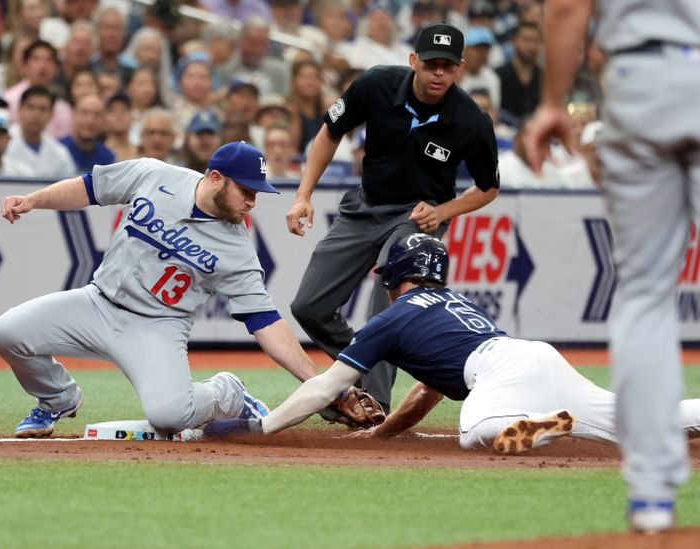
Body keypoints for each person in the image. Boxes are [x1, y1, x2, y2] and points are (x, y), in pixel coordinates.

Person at [203, 234, 700, 452]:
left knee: (477, 431)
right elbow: (428, 389)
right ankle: (569, 418)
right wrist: (383, 433)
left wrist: (267, 426)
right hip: (534, 356)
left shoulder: (392, 317)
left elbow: (322, 389)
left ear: (391, 276)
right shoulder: (456, 303)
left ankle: (557, 423)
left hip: (501, 374)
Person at [0, 141, 321, 439]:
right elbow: (90, 188)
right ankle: (57, 398)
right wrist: (33, 200)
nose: (252, 202)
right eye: (246, 190)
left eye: (256, 193)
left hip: (157, 326)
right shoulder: (155, 175)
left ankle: (228, 393)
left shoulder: (237, 250)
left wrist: (317, 383)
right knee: (7, 332)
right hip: (97, 302)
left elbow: (265, 322)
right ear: (217, 178)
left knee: (169, 416)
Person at [522, 0, 700, 534]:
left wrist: (553, 101)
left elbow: (571, 5)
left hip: (638, 75)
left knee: (644, 295)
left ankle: (650, 495)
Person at [287, 22, 500, 413]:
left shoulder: (471, 120)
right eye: (431, 63)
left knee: (384, 304)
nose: (439, 73)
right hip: (365, 206)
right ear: (412, 60)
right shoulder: (376, 84)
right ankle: (358, 374)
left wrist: (443, 211)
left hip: (417, 218)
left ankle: (374, 404)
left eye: (448, 66)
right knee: (308, 306)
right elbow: (330, 132)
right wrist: (303, 195)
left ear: (460, 69)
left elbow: (488, 188)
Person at [6, 86, 78, 178]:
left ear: (51, 114)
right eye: (31, 107)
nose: (36, 115)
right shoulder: (4, 143)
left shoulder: (59, 151)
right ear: (20, 110)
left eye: (42, 109)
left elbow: (69, 183)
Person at [59, 94, 115, 173]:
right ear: (74, 115)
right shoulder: (58, 150)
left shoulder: (108, 158)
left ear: (104, 120)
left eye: (97, 115)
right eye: (84, 113)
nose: (90, 121)